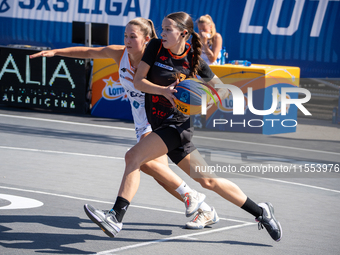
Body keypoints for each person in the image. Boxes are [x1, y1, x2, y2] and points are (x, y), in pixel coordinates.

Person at [82, 11, 282, 242]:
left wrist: (200, 99)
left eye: (168, 29)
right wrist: (164, 91)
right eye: (163, 28)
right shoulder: (155, 47)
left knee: (134, 157)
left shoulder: (193, 60)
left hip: (176, 126)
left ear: (183, 33)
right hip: (158, 123)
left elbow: (222, 90)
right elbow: (139, 81)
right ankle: (261, 212)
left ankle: (116, 217)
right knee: (209, 181)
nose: (163, 32)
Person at [29, 17, 220, 230]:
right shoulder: (119, 54)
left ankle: (118, 215)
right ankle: (204, 209)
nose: (127, 41)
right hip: (141, 125)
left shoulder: (158, 60)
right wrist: (56, 52)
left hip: (158, 120)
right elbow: (90, 52)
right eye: (125, 36)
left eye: (133, 36)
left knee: (141, 161)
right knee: (159, 175)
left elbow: (186, 73)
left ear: (147, 39)